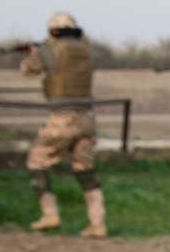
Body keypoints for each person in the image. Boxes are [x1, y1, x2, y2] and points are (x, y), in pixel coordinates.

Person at [21, 12, 107, 237]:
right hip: (87, 117)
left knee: (36, 163)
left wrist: (35, 53)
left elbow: (28, 70)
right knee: (85, 170)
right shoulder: (87, 49)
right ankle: (98, 223)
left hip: (62, 117)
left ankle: (50, 214)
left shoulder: (49, 50)